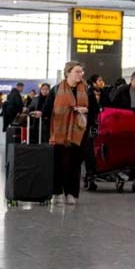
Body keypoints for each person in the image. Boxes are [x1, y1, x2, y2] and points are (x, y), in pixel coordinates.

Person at [43, 61, 89, 205]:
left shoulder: (86, 90)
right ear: (68, 72)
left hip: (79, 133)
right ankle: (57, 192)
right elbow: (47, 111)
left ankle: (71, 193)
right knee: (59, 164)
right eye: (77, 71)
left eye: (81, 72)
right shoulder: (56, 90)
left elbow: (93, 110)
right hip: (59, 134)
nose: (80, 74)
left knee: (74, 165)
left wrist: (85, 110)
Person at [82, 75, 106, 187]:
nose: (102, 82)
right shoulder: (88, 94)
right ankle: (90, 174)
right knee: (90, 150)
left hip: (103, 125)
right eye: (100, 80)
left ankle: (100, 171)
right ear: (93, 83)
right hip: (91, 126)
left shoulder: (104, 93)